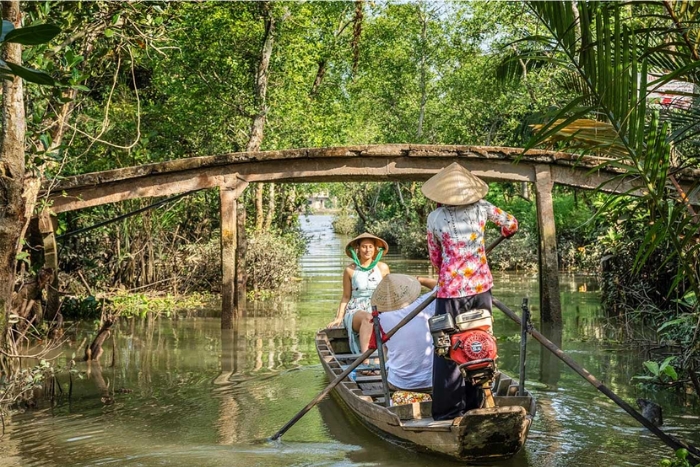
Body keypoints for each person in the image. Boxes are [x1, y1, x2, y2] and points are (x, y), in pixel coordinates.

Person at [421, 162, 518, 421]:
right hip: (480, 289)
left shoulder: (435, 218)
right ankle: (475, 406)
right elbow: (511, 224)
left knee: (448, 349)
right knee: (478, 346)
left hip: (450, 293)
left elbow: (435, 258)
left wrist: (450, 267)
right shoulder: (483, 209)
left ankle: (447, 413)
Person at [371, 274, 438, 392]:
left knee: (387, 353)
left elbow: (384, 350)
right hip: (433, 381)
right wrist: (420, 280)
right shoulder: (425, 303)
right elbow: (442, 287)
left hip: (400, 384)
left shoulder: (380, 318)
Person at [328, 233, 390, 358]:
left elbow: (388, 294)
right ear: (358, 249)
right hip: (356, 310)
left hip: (378, 308)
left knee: (382, 320)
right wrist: (339, 317)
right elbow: (346, 296)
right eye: (364, 247)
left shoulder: (383, 268)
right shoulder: (350, 270)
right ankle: (366, 361)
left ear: (375, 249)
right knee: (369, 318)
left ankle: (382, 361)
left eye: (370, 247)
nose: (367, 250)